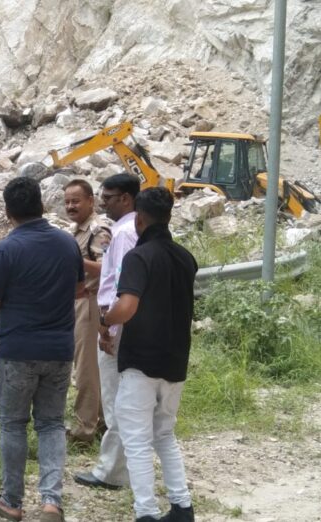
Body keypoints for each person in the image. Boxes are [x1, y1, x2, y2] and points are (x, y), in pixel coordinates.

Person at [0, 177, 85, 522]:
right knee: (51, 424)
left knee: (13, 425)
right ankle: (51, 503)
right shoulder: (67, 243)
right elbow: (79, 289)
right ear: (41, 205)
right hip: (60, 350)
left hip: (18, 351)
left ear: (8, 212)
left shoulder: (5, 249)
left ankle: (11, 501)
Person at [100, 188, 197, 522]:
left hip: (140, 361)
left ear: (139, 219)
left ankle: (145, 513)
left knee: (137, 440)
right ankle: (182, 507)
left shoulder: (138, 257)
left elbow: (126, 306)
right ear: (168, 216)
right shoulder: (185, 257)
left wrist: (105, 320)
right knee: (164, 435)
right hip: (176, 359)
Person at [74, 173, 140, 490]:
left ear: (125, 198)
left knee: (114, 396)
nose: (104, 204)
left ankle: (111, 471)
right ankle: (125, 465)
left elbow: (118, 283)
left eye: (108, 198)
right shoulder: (134, 228)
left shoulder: (122, 233)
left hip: (113, 318)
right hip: (126, 319)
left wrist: (107, 325)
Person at [63, 179, 112, 442]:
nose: (70, 206)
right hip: (79, 302)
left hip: (91, 302)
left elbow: (107, 268)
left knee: (86, 369)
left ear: (91, 201)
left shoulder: (98, 230)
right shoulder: (77, 231)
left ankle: (85, 429)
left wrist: (73, 259)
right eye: (67, 202)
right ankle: (102, 422)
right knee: (88, 366)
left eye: (76, 201)